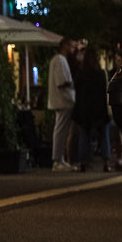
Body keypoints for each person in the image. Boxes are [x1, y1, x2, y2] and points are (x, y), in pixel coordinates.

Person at [71, 42, 110, 170]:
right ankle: (106, 163)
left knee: (84, 135)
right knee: (103, 136)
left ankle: (83, 162)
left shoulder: (81, 74)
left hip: (85, 110)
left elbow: (77, 90)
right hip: (99, 109)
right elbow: (104, 92)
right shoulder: (100, 74)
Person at [46, 39, 77, 167]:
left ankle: (59, 159)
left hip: (62, 100)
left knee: (61, 130)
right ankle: (58, 159)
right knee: (61, 130)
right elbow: (61, 81)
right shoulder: (60, 60)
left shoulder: (57, 60)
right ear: (65, 46)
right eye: (71, 45)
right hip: (64, 100)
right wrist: (73, 83)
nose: (73, 49)